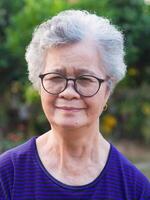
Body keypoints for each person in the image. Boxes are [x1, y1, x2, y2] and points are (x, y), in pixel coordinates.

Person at [0, 10, 149, 200]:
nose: (68, 92)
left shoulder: (135, 189)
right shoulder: (7, 176)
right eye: (55, 77)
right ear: (39, 87)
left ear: (107, 89)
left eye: (85, 78)